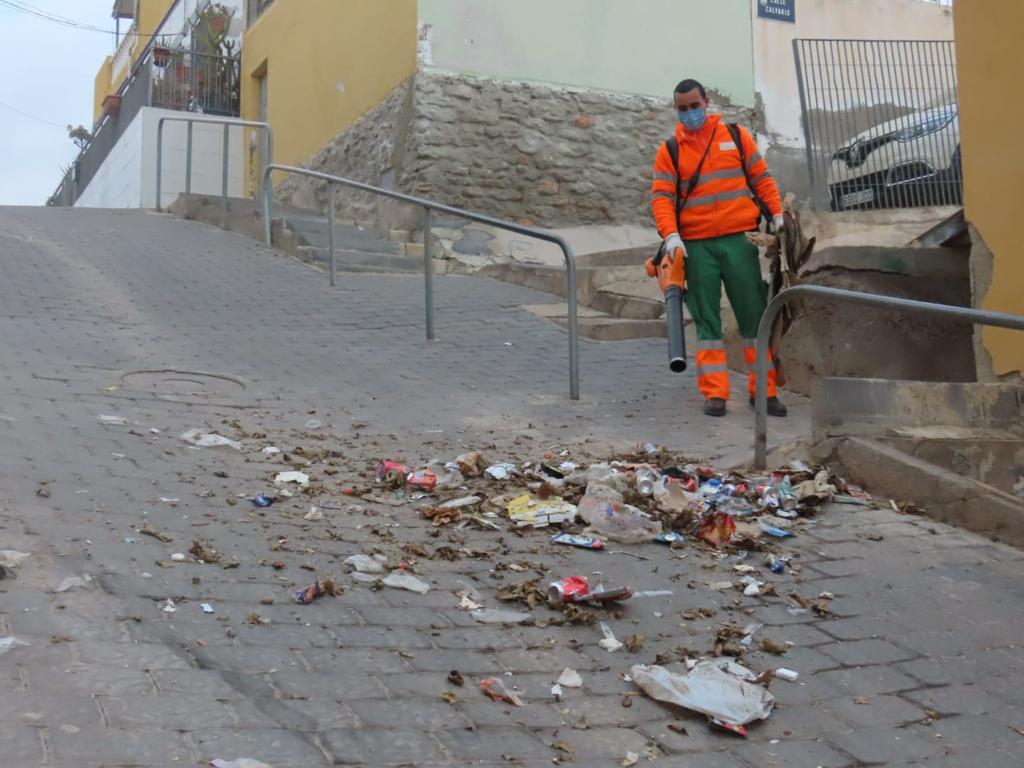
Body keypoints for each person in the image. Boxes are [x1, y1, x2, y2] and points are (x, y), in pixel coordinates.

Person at [651, 78, 788, 418]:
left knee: (755, 317)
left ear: (706, 103)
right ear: (676, 110)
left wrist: (777, 213)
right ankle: (715, 393)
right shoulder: (670, 151)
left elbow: (761, 178)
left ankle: (764, 392)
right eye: (682, 109)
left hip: (739, 241)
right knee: (707, 323)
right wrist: (671, 235)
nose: (689, 113)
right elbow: (662, 197)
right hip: (696, 248)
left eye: (694, 106)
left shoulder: (736, 137)